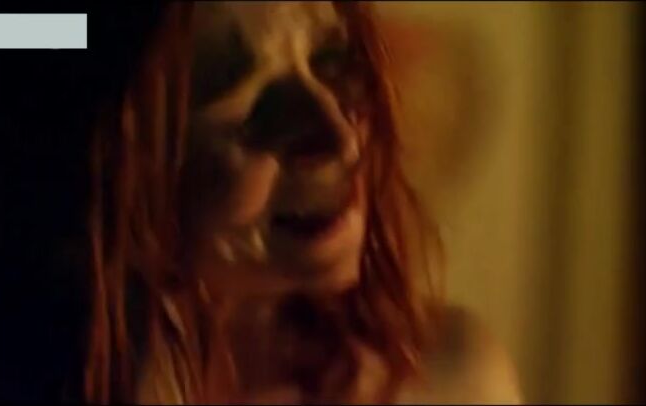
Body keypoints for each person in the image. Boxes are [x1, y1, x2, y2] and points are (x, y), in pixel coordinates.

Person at [54, 1, 520, 403]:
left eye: (333, 62)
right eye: (242, 91)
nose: (338, 139)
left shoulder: (444, 379)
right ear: (122, 154)